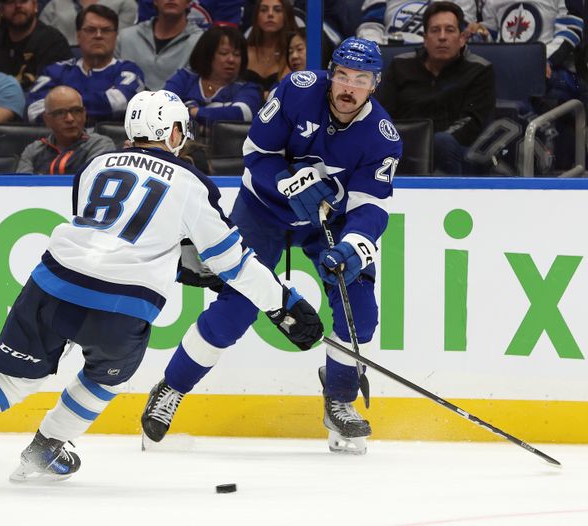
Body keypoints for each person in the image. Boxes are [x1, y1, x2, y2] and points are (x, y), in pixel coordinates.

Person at [0, 89, 323, 483]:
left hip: (54, 281)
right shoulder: (194, 184)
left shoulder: (95, 165)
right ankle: (46, 447)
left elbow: (110, 233)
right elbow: (231, 261)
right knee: (103, 378)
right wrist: (280, 302)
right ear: (173, 132)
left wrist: (179, 262)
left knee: (7, 380)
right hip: (124, 304)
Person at [141, 38, 402, 456]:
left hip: (326, 223)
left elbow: (371, 207)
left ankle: (339, 399)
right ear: (331, 74)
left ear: (375, 84)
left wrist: (354, 244)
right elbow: (256, 153)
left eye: (361, 79)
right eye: (343, 76)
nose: (349, 87)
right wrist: (286, 182)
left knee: (360, 312)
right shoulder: (297, 89)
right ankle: (171, 387)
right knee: (236, 308)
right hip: (263, 210)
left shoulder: (383, 138)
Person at [374, 1, 495, 175]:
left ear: (462, 39)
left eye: (450, 30)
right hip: (404, 147)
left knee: (443, 142)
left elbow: (474, 123)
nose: (442, 37)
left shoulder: (479, 69)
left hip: (459, 150)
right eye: (435, 30)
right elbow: (383, 113)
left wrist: (428, 143)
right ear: (425, 39)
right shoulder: (401, 65)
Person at [475, 0, 586, 171]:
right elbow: (491, 30)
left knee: (556, 90)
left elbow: (571, 29)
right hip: (503, 67)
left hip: (549, 66)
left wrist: (544, 60)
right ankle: (490, 159)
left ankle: (547, 160)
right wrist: (480, 33)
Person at [26, 4, 144, 125]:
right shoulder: (55, 71)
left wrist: (59, 108)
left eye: (106, 30)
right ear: (78, 36)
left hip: (112, 142)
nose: (98, 35)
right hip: (60, 142)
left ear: (115, 36)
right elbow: (34, 110)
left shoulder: (129, 71)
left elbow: (120, 103)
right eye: (90, 30)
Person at [164, 25, 262, 131]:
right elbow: (163, 107)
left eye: (237, 54)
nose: (231, 59)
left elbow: (242, 113)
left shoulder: (248, 89)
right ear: (207, 55)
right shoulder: (184, 78)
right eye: (223, 53)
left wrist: (193, 112)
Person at [17, 85, 115, 174]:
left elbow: (92, 183)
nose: (70, 119)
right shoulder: (33, 150)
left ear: (84, 114)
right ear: (47, 119)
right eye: (60, 113)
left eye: (76, 111)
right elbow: (21, 187)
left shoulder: (99, 145)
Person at [115, 0, 203, 90]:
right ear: (155, 1)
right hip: (128, 101)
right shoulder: (126, 37)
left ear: (188, 3)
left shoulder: (200, 43)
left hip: (175, 102)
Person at [0, 0, 72, 90]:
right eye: (10, 1)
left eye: (23, 1)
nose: (18, 6)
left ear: (35, 6)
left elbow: (53, 90)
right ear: (1, 10)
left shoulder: (53, 42)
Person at [357, 0, 478, 44]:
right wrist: (380, 51)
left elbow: (462, 35)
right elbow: (371, 27)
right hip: (392, 51)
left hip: (440, 56)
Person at [244, 0, 297, 93]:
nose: (270, 14)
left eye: (277, 10)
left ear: (287, 15)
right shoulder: (243, 51)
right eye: (264, 10)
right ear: (256, 16)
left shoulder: (294, 53)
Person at [39, 0, 136, 46]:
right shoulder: (55, 4)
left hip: (106, 59)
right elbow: (42, 41)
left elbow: (121, 41)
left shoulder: (125, 3)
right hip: (61, 61)